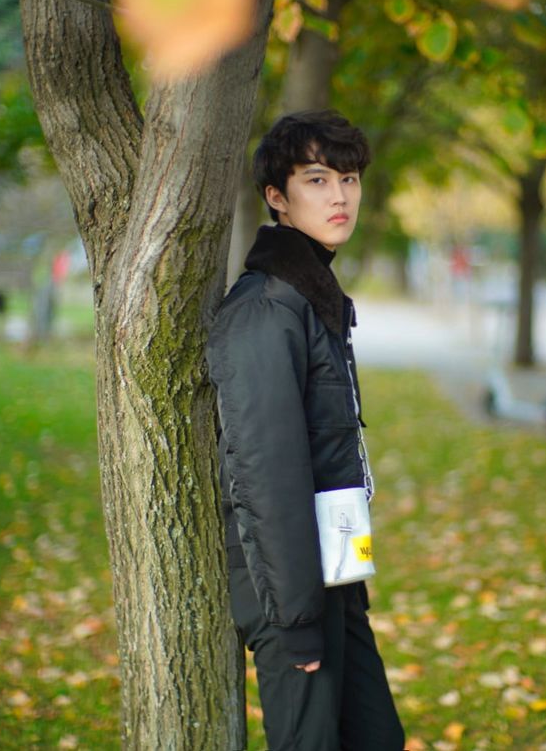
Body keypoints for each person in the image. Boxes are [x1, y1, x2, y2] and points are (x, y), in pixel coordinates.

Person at [206, 110, 405, 750]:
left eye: (348, 178)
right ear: (277, 197)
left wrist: (347, 589)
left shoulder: (313, 298)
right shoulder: (267, 308)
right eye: (316, 179)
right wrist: (297, 623)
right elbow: (266, 475)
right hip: (287, 590)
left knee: (377, 738)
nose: (339, 196)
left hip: (330, 578)